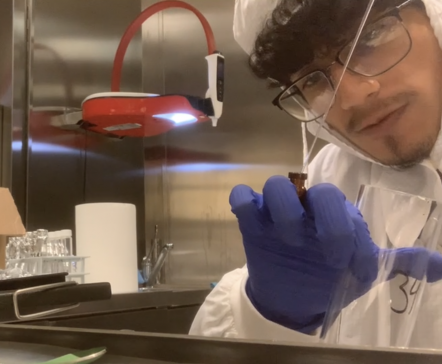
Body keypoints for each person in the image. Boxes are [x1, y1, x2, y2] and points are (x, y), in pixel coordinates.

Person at [189, 0, 442, 349]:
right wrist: (271, 318)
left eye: (371, 37)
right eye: (312, 80)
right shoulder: (333, 179)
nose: (351, 96)